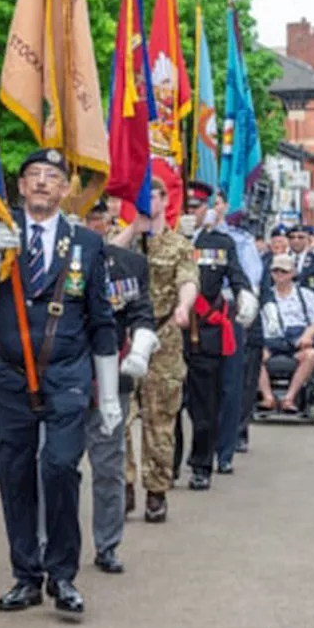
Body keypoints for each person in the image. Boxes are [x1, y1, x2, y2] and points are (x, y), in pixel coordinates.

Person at [0, 148, 118, 616]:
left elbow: (101, 320)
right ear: (20, 187)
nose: (41, 182)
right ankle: (26, 575)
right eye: (32, 175)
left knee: (59, 468)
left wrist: (110, 392)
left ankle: (62, 575)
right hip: (8, 376)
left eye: (51, 177)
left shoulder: (87, 245)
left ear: (64, 191)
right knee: (13, 474)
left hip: (66, 374)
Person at [83, 200, 156, 574]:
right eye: (88, 218)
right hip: (66, 376)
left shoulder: (129, 264)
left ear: (112, 222)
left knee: (109, 467)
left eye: (101, 218)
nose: (95, 225)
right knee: (54, 466)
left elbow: (142, 312)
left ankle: (107, 544)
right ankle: (48, 543)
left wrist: (142, 344)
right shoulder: (59, 261)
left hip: (112, 377)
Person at [122, 178, 196, 522]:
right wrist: (132, 229)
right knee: (118, 417)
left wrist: (184, 307)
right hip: (123, 338)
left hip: (163, 337)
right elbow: (105, 259)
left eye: (152, 193)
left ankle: (156, 490)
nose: (146, 199)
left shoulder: (178, 244)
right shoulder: (126, 240)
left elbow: (188, 281)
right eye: (142, 193)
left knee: (160, 418)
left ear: (165, 200)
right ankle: (122, 484)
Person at [175, 185, 255, 490]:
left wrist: (244, 295)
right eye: (187, 207)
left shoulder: (219, 243)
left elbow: (236, 276)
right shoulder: (165, 240)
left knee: (203, 406)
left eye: (196, 207)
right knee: (169, 405)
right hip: (169, 332)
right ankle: (169, 464)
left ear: (205, 209)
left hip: (204, 333)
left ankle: (200, 465)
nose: (191, 213)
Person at [216, 197, 264, 473]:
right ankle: (203, 445)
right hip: (194, 316)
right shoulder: (188, 237)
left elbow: (250, 281)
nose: (213, 207)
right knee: (199, 389)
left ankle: (225, 449)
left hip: (228, 313)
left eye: (219, 202)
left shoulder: (240, 241)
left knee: (230, 384)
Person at [258, 254, 314, 411]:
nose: (279, 275)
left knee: (312, 355)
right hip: (271, 341)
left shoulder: (305, 295)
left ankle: (289, 398)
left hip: (297, 341)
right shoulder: (264, 296)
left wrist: (307, 336)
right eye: (276, 271)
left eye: (284, 271)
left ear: (293, 273)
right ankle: (268, 397)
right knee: (252, 355)